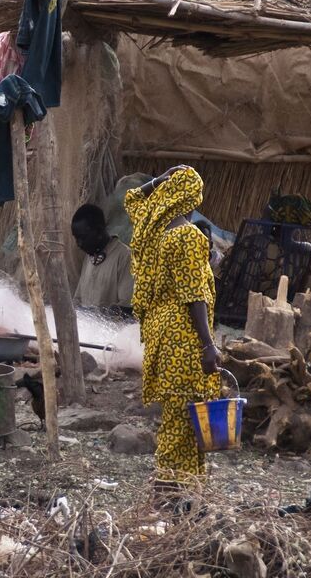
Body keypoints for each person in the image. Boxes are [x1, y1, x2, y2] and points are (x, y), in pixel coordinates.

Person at [125, 165, 221, 492]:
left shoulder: (155, 231)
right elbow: (194, 294)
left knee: (177, 414)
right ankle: (171, 490)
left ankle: (184, 488)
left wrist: (159, 180)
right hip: (184, 335)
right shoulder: (189, 236)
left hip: (160, 331)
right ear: (192, 198)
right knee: (189, 414)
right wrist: (208, 345)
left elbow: (133, 198)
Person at [70, 203, 134, 318]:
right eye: (76, 238)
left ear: (99, 231)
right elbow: (78, 300)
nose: (79, 244)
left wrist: (97, 316)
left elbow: (127, 310)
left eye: (83, 237)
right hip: (86, 333)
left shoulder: (125, 257)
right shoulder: (89, 257)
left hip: (113, 334)